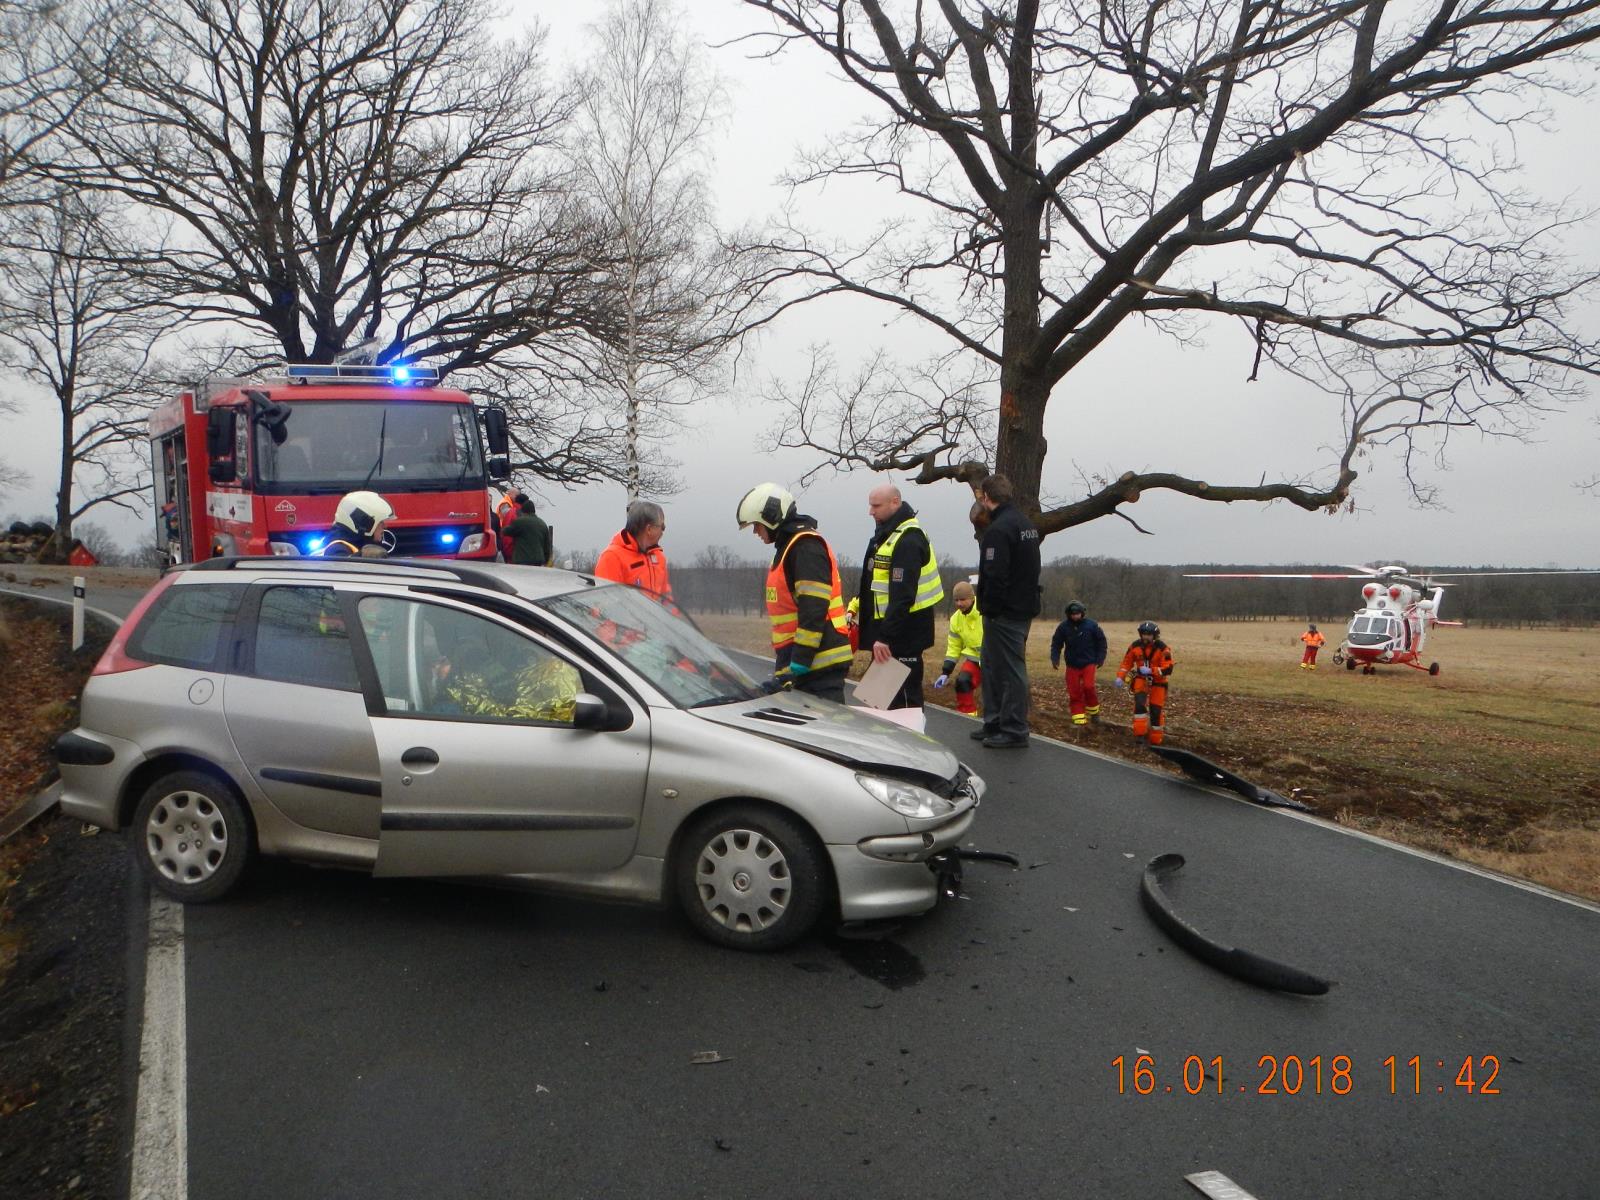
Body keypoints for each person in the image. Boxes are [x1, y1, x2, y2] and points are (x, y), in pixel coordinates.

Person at [736, 482, 853, 702]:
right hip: (804, 666)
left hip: (817, 666)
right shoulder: (790, 547)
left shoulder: (805, 547)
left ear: (771, 517)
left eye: (756, 525)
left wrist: (799, 664)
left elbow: (813, 610)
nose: (755, 532)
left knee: (821, 733)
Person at [856, 484, 944, 710]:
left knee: (905, 706)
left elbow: (903, 595)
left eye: (876, 505)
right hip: (892, 634)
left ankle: (911, 745)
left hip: (903, 636)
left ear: (895, 502)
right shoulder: (888, 535)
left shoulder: (908, 539)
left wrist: (885, 636)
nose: (870, 512)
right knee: (877, 703)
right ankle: (882, 743)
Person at [972, 474, 1042, 748]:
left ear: (986, 497)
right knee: (990, 665)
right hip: (1023, 605)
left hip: (1005, 612)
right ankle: (994, 722)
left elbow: (995, 574)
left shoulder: (999, 530)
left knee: (1010, 670)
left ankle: (1013, 729)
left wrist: (990, 607)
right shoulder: (1026, 525)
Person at [594, 500, 674, 608]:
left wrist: (673, 621)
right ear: (649, 529)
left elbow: (666, 597)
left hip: (654, 624)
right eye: (662, 527)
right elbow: (604, 604)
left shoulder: (659, 557)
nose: (663, 532)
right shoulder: (612, 557)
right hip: (625, 624)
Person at [1115, 621, 1174, 745]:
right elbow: (1126, 663)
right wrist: (1120, 676)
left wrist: (1151, 670)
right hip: (1141, 680)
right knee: (1140, 706)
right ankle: (1140, 736)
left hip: (1158, 682)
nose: (1145, 637)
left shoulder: (1163, 649)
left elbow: (1168, 669)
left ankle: (1155, 740)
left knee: (1156, 711)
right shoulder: (1134, 646)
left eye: (1149, 634)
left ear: (1155, 635)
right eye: (1143, 634)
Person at [1050, 601, 1108, 727]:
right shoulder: (1063, 627)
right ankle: (1079, 720)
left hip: (1089, 662)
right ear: (1068, 615)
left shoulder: (1092, 625)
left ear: (1082, 613)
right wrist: (1055, 659)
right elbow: (1056, 644)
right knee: (1074, 691)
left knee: (1089, 687)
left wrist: (1100, 658)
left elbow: (1101, 642)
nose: (1075, 616)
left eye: (1078, 614)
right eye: (1073, 614)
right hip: (1072, 664)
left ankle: (1094, 713)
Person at [934, 580, 983, 715]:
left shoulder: (985, 610)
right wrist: (946, 672)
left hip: (995, 659)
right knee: (963, 681)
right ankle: (967, 715)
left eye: (963, 599)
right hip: (974, 659)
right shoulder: (955, 619)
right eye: (956, 600)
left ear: (972, 598)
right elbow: (954, 647)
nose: (959, 604)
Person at [317, 490, 394, 557]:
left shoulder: (354, 543)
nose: (385, 526)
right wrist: (361, 556)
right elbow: (343, 566)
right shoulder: (337, 549)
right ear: (365, 524)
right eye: (380, 522)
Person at [503, 494, 553, 567]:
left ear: (523, 510)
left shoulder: (519, 521)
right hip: (538, 560)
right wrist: (546, 560)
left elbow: (505, 532)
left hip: (521, 559)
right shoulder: (542, 524)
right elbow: (547, 546)